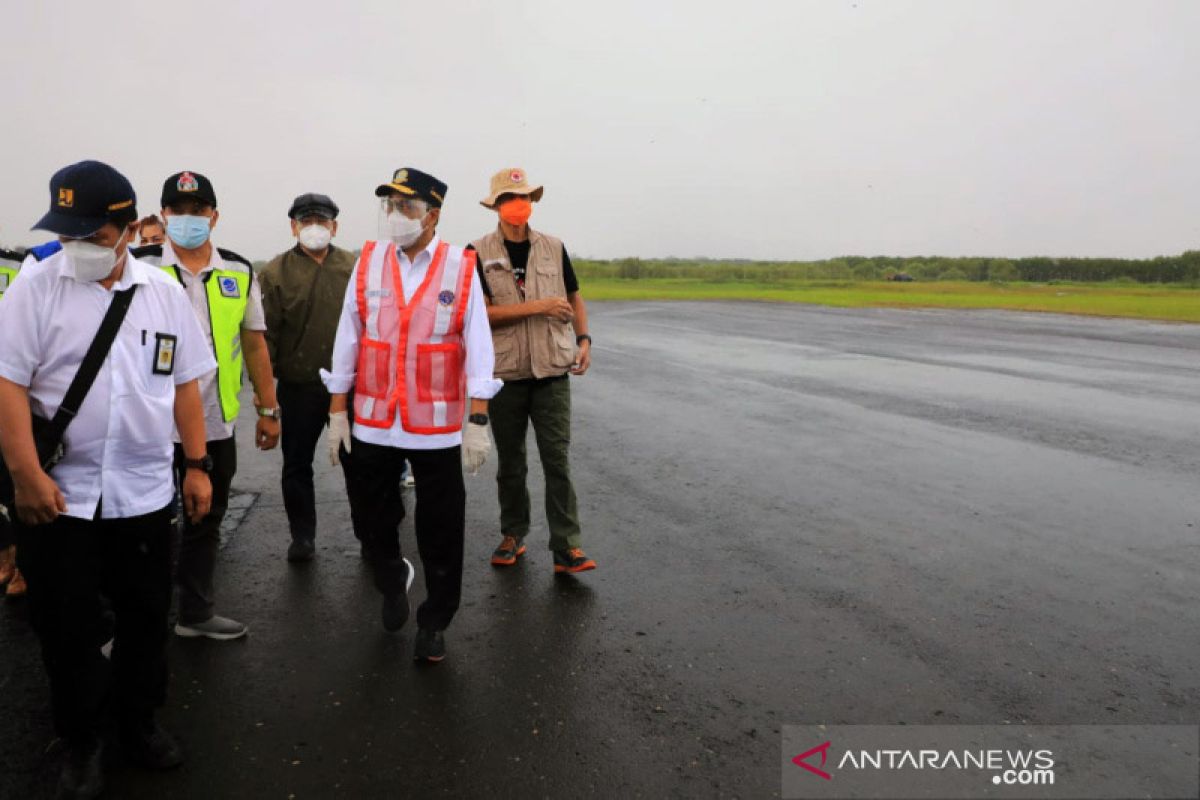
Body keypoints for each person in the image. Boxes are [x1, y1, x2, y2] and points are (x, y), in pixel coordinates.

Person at [0, 160, 215, 798]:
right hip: (59, 498)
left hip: (144, 492)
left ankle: (139, 723)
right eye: (68, 233)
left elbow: (185, 387)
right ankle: (82, 738)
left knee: (147, 615)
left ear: (125, 229)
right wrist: (24, 475)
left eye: (91, 234)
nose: (78, 247)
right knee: (65, 625)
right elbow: (8, 387)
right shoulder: (35, 289)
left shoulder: (162, 292)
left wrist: (198, 467)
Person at [322, 167, 500, 663]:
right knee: (370, 515)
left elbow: (479, 346)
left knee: (441, 528)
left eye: (407, 207)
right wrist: (338, 410)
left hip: (436, 424)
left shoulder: (461, 267)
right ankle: (390, 574)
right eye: (390, 206)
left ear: (433, 214)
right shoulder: (369, 261)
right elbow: (349, 336)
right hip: (374, 417)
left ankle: (435, 621)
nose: (396, 216)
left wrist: (478, 420)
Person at [132, 170, 280, 641]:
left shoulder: (237, 270)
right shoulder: (139, 266)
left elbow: (254, 344)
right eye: (178, 210)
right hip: (150, 422)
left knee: (205, 520)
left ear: (214, 216)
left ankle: (195, 612)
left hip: (215, 421)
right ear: (165, 214)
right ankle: (138, 625)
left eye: (198, 211)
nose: (188, 219)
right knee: (144, 527)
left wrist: (268, 408)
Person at [469, 168, 595, 574]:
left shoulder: (554, 247)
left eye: (523, 197)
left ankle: (567, 546)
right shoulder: (476, 251)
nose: (517, 205)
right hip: (506, 374)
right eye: (508, 198)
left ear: (532, 203)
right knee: (512, 462)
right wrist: (537, 307)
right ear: (496, 205)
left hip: (552, 371)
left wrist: (584, 339)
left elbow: (574, 296)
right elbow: (478, 316)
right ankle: (513, 534)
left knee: (557, 460)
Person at [259, 193, 361, 561]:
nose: (314, 228)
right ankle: (302, 536)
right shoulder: (274, 273)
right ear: (293, 226)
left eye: (322, 221)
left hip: (351, 388)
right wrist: (265, 397)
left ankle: (370, 536)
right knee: (297, 465)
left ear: (335, 226)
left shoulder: (354, 268)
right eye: (306, 221)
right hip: (299, 388)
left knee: (359, 465)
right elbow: (265, 338)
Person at [0, 247, 26, 598]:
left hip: (11, 394)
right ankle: (5, 551)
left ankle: (23, 562)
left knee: (13, 483)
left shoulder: (18, 267)